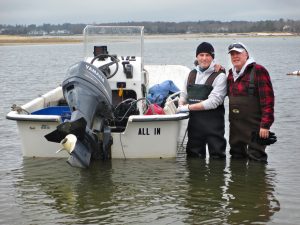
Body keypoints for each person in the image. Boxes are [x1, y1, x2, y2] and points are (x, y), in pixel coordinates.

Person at [177, 42, 227, 159]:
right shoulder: (191, 74)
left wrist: (187, 107)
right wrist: (181, 103)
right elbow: (184, 93)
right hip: (195, 126)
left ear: (212, 57)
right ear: (197, 57)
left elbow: (213, 102)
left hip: (214, 127)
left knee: (217, 159)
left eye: (207, 55)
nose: (204, 58)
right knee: (194, 158)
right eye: (201, 55)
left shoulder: (220, 76)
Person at [227, 42, 275, 163]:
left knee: (256, 160)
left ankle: (258, 182)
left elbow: (268, 101)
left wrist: (265, 125)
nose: (235, 56)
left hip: (255, 128)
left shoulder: (258, 70)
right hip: (235, 129)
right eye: (232, 54)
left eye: (238, 53)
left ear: (246, 54)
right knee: (236, 159)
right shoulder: (230, 74)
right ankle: (237, 183)